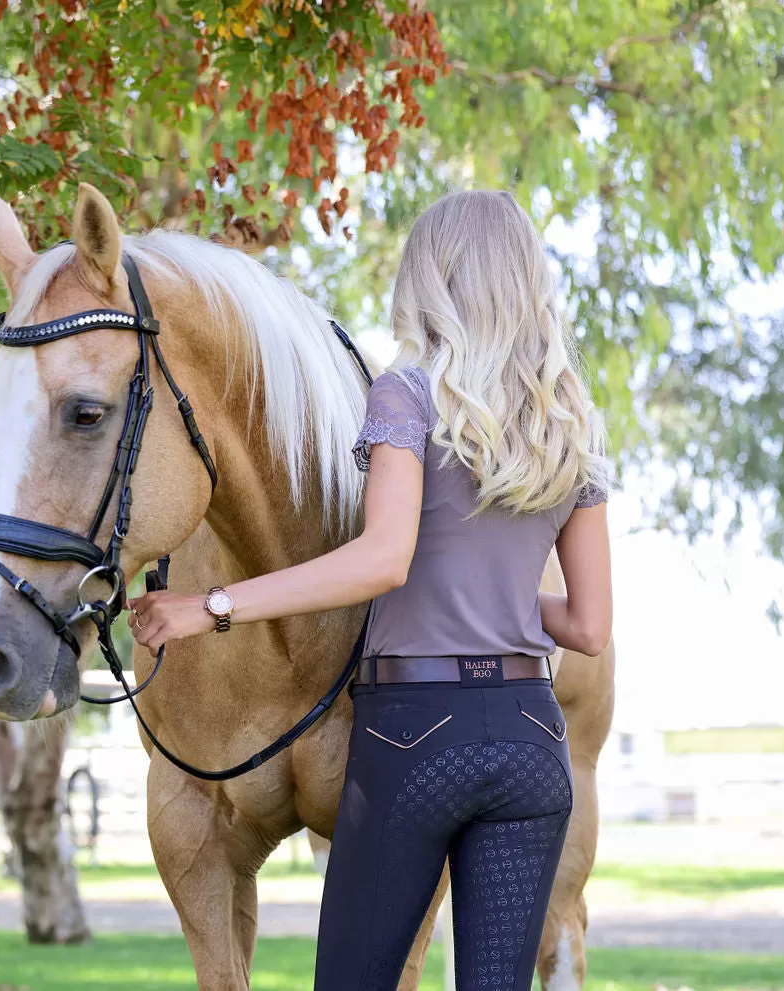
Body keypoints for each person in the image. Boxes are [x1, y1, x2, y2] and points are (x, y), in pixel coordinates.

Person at [128, 189, 612, 990]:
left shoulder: (406, 394)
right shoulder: (568, 417)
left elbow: (382, 559)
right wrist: (483, 603)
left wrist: (211, 604)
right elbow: (588, 626)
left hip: (417, 735)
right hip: (531, 737)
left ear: (427, 276)